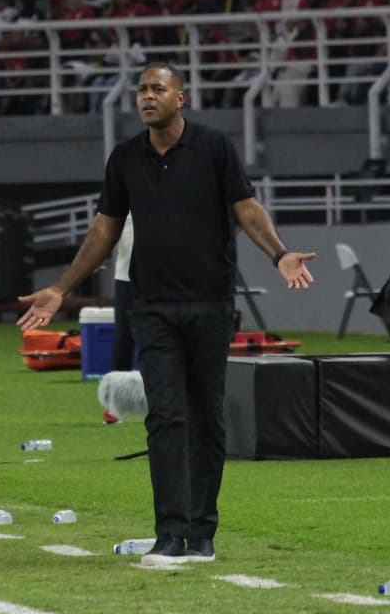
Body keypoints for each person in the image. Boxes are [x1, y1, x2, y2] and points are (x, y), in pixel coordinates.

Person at [17, 62, 316, 566]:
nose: (147, 96)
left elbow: (246, 210)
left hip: (210, 303)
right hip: (152, 307)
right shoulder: (125, 159)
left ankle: (203, 535)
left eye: (158, 88)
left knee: (206, 417)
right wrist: (61, 289)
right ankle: (170, 535)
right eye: (142, 90)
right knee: (166, 416)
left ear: (181, 97)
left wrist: (279, 253)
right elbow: (103, 231)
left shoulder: (214, 148)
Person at [104, 213, 135, 425]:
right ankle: (115, 406)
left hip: (167, 276)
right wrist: (98, 256)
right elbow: (106, 224)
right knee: (123, 339)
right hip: (127, 276)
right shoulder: (126, 185)